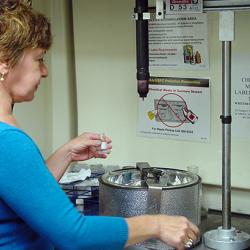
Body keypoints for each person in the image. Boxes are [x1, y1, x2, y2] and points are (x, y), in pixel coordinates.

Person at [0, 1, 200, 249]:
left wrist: (66, 153)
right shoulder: (8, 141)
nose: (44, 71)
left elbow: (29, 196)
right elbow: (74, 234)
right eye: (39, 59)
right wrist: (156, 225)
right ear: (4, 61)